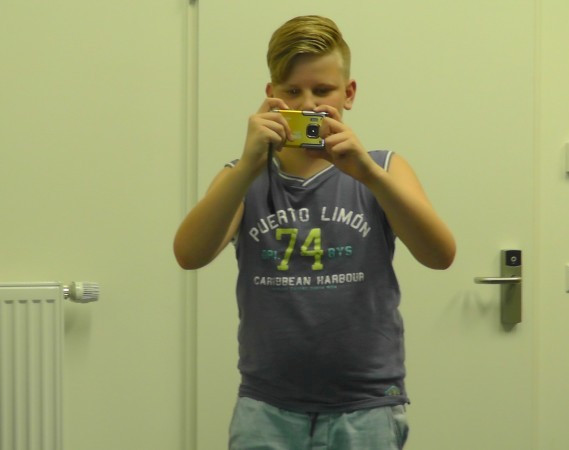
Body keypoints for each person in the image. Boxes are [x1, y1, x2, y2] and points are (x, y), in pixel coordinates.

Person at [174, 15, 456, 450]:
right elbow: (189, 254)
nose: (308, 105)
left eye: (323, 90)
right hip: (266, 407)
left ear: (349, 93)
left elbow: (440, 255)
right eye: (292, 92)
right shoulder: (242, 177)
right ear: (270, 95)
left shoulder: (383, 168)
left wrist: (369, 174)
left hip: (366, 406)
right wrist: (248, 165)